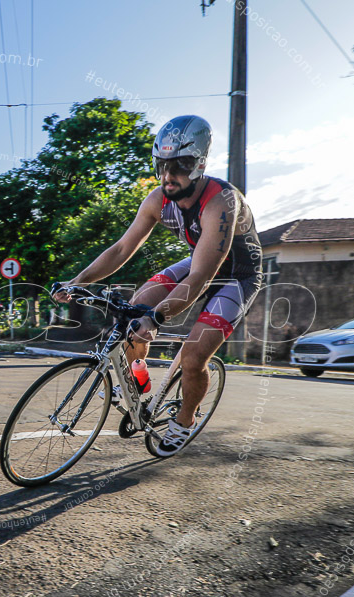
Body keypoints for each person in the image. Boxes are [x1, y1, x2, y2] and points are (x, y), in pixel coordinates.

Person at [55, 115, 262, 456]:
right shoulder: (157, 200)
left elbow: (201, 278)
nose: (168, 176)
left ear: (199, 164)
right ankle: (138, 376)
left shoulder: (221, 201)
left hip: (236, 276)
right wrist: (77, 281)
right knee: (134, 309)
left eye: (179, 166)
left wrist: (156, 317)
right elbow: (122, 248)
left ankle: (185, 419)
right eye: (161, 166)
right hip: (199, 261)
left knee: (194, 358)